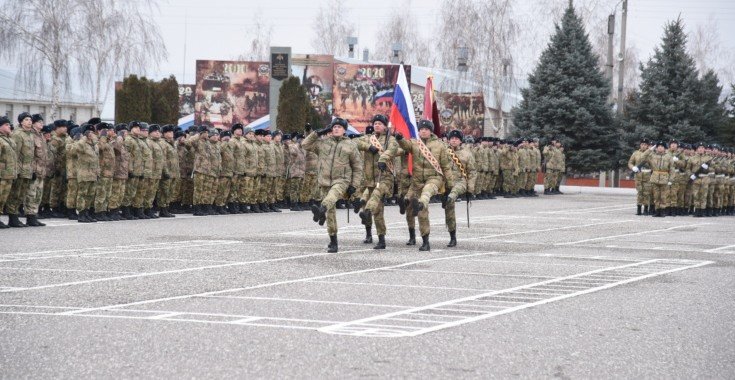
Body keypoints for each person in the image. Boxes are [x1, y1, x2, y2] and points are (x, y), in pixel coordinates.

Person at [302, 118, 363, 253]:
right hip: (324, 181)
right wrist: (318, 133)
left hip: (341, 180)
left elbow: (358, 167)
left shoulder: (350, 145)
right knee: (331, 213)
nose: (336, 129)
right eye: (334, 126)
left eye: (339, 127)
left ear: (344, 130)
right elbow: (305, 144)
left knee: (332, 196)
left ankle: (321, 209)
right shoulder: (323, 143)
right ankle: (333, 240)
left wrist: (354, 185)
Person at [395, 119, 453, 251]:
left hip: (434, 178)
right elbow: (405, 145)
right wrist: (399, 138)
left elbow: (446, 166)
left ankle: (421, 202)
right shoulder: (415, 144)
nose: (423, 131)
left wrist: (450, 185)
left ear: (430, 131)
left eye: (426, 129)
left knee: (426, 192)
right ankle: (425, 241)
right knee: (422, 213)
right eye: (421, 129)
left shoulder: (440, 146)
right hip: (417, 182)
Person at [357, 114, 400, 249]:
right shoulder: (368, 138)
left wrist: (383, 159)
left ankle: (379, 235)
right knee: (378, 211)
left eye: (380, 124)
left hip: (385, 177)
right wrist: (368, 147)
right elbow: (356, 143)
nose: (377, 125)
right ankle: (374, 236)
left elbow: (392, 150)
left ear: (385, 126)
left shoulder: (390, 139)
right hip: (370, 179)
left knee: (375, 197)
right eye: (375, 123)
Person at [443, 130, 477, 247]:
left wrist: (470, 190)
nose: (453, 140)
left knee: (452, 195)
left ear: (460, 141)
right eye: (451, 138)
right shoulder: (444, 151)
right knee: (449, 211)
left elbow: (472, 172)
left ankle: (451, 197)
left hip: (460, 181)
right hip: (446, 183)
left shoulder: (467, 154)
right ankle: (453, 237)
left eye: (456, 138)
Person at [6, 112, 35, 227]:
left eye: (30, 120)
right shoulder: (18, 134)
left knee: (21, 195)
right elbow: (15, 154)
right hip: (19, 170)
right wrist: (16, 170)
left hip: (27, 170)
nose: (29, 121)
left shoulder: (30, 134)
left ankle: (16, 216)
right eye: (27, 119)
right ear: (21, 122)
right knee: (15, 194)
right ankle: (12, 218)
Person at [74, 124, 100, 223]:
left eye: (92, 132)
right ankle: (81, 213)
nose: (91, 134)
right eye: (89, 132)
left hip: (93, 174)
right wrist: (84, 137)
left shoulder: (94, 144)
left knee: (90, 195)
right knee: (82, 194)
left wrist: (98, 173)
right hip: (84, 173)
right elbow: (77, 147)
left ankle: (86, 212)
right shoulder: (82, 143)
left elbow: (96, 159)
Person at [645, 141, 674, 217]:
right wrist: (650, 149)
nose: (660, 148)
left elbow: (671, 169)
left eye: (662, 146)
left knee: (663, 196)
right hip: (655, 178)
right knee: (656, 196)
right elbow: (643, 156)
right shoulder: (652, 155)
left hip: (664, 178)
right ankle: (657, 211)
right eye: (658, 146)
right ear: (656, 148)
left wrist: (671, 180)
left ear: (665, 148)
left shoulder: (668, 156)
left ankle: (662, 211)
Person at [0, 116, 18, 228]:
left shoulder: (10, 139)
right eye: (6, 124)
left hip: (9, 174)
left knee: (3, 198)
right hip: (1, 174)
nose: (9, 126)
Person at [628, 139, 653, 215]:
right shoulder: (635, 153)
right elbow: (630, 162)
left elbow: (653, 165)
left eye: (645, 145)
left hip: (647, 176)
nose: (643, 146)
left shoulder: (651, 154)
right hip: (638, 176)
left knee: (646, 193)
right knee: (639, 192)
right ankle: (639, 209)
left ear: (647, 146)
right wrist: (633, 168)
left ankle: (645, 209)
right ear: (640, 145)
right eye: (642, 144)